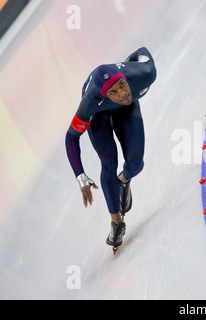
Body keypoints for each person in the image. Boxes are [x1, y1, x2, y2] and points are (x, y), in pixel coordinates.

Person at [65, 47, 157, 249]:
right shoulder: (90, 103)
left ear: (124, 78)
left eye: (122, 85)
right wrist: (81, 177)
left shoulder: (145, 74)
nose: (122, 94)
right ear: (105, 94)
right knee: (108, 163)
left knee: (135, 165)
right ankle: (116, 222)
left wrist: (128, 60)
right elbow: (71, 137)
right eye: (114, 92)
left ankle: (123, 181)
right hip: (99, 111)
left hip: (123, 105)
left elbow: (142, 51)